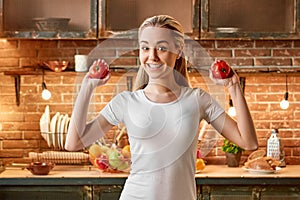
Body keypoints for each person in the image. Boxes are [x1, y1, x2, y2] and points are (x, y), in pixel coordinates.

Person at [65, 15, 258, 200]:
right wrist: (87, 87)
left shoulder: (197, 100)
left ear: (179, 50)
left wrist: (233, 86)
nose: (152, 56)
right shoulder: (126, 102)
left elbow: (248, 143)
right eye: (145, 48)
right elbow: (73, 143)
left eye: (162, 48)